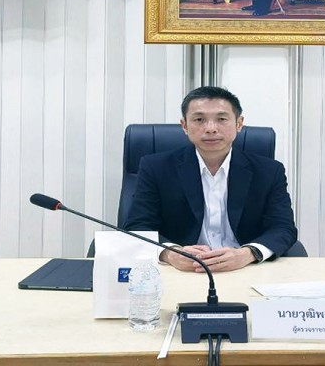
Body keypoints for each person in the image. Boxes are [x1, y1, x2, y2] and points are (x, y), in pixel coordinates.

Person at [124, 86, 298, 273]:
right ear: (184, 126)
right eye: (199, 120)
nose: (211, 129)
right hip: (183, 270)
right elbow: (138, 226)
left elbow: (283, 228)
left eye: (221, 119)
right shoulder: (156, 168)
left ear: (239, 124)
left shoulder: (269, 171)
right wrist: (170, 253)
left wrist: (249, 253)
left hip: (245, 268)